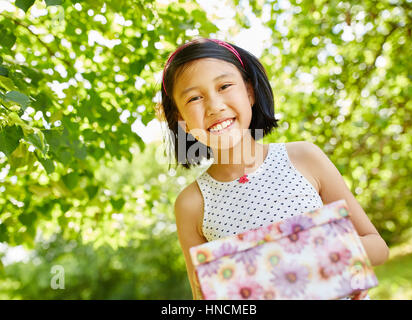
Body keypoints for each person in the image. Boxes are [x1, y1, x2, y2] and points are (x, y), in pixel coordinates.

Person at [157, 38, 389, 300]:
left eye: (224, 86)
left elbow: (377, 246)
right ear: (182, 122)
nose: (214, 106)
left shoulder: (304, 157)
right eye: (194, 98)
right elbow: (205, 297)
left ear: (249, 93)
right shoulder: (192, 204)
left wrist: (332, 261)